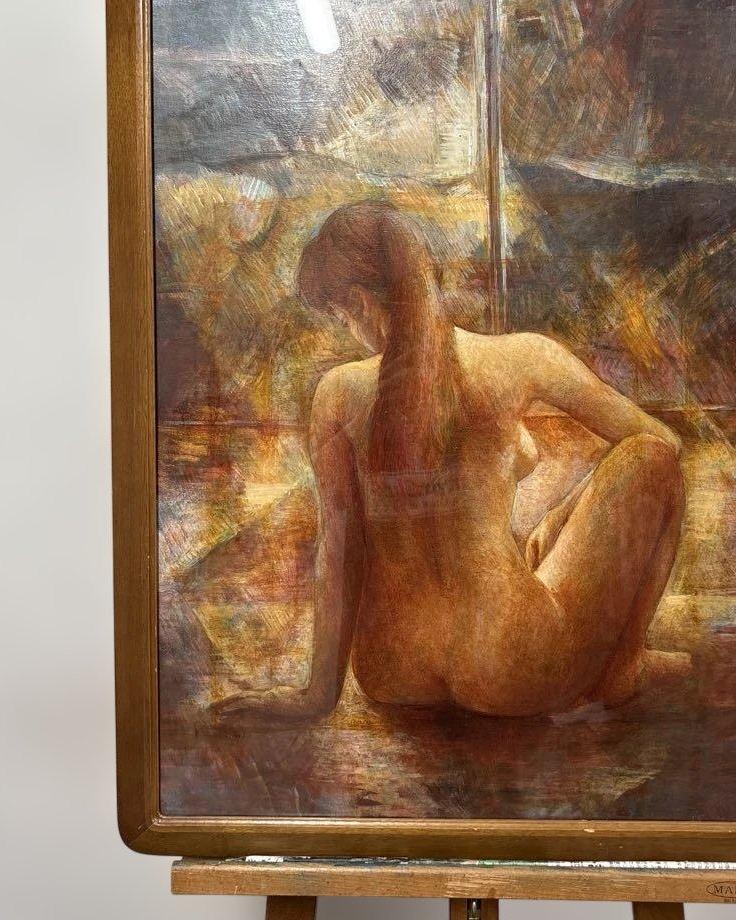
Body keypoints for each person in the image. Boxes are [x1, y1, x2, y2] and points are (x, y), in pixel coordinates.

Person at [221, 201, 686, 721]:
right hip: (506, 666)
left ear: (359, 302)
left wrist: (315, 697)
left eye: (341, 317)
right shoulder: (520, 357)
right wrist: (569, 510)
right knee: (653, 461)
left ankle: (618, 660)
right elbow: (661, 442)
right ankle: (623, 666)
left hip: (390, 670)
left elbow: (340, 547)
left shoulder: (336, 393)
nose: (347, 330)